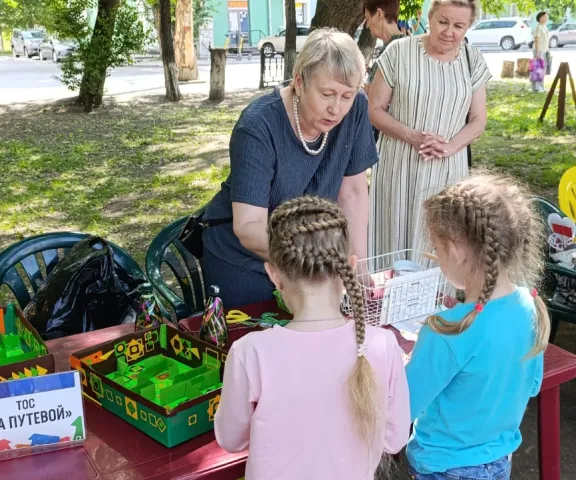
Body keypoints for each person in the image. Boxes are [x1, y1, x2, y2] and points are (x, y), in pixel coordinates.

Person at [214, 196, 411, 480]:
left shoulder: (250, 352)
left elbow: (231, 440)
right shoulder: (382, 344)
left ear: (274, 274)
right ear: (349, 267)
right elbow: (394, 440)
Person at [201, 29, 378, 308]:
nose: (336, 108)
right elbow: (248, 226)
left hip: (310, 261)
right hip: (245, 261)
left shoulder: (355, 109)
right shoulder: (258, 126)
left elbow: (353, 192)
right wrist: (312, 262)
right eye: (327, 94)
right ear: (299, 81)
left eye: (347, 95)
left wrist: (358, 266)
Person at [406, 175, 551, 480]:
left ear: (456, 250)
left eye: (437, 247)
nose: (436, 255)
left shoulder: (447, 330)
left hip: (444, 466)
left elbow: (403, 407)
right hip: (498, 461)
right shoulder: (531, 306)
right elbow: (531, 384)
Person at [368, 0, 491, 259]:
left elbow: (478, 119)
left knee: (440, 245)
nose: (449, 32)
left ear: (468, 27)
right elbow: (374, 110)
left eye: (459, 26)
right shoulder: (398, 52)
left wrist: (449, 147)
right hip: (398, 165)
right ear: (430, 17)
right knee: (392, 243)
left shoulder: (473, 60)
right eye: (443, 22)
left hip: (448, 170)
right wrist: (412, 136)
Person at [363, 0, 405, 97]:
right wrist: (370, 70)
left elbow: (374, 93)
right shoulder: (402, 45)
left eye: (368, 18)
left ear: (379, 14)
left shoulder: (394, 49)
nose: (367, 25)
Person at [532, 11, 549, 92]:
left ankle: (541, 86)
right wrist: (537, 53)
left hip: (544, 50)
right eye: (544, 17)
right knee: (538, 69)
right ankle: (537, 88)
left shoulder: (544, 27)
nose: (546, 18)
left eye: (546, 17)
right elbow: (536, 40)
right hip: (539, 50)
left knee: (542, 69)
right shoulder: (538, 27)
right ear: (540, 18)